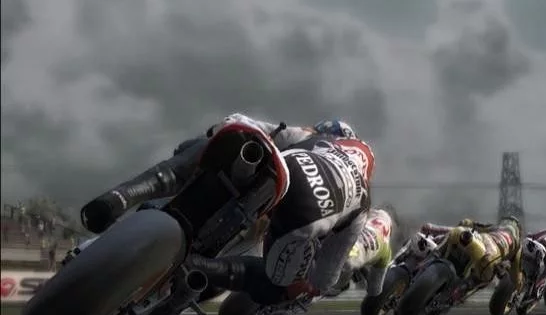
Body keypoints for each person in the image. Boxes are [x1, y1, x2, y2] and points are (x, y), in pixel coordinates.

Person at [187, 122, 375, 305]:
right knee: (282, 286)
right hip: (307, 211)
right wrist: (316, 288)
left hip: (284, 169)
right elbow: (329, 269)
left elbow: (251, 124)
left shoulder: (320, 140)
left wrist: (221, 127)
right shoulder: (363, 201)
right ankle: (198, 266)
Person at [79, 113, 356, 234]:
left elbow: (239, 121)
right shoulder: (331, 172)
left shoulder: (304, 138)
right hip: (238, 205)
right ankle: (121, 203)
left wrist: (219, 129)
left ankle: (119, 198)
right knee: (193, 153)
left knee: (187, 156)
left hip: (243, 207)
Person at [433, 216, 523, 294]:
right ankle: (461, 290)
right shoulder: (517, 245)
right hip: (491, 257)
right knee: (483, 278)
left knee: (454, 236)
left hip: (483, 241)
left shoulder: (495, 227)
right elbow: (516, 275)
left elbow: (472, 224)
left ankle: (436, 254)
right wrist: (519, 287)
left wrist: (465, 223)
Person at [323, 206, 397, 298]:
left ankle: (339, 283)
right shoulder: (386, 250)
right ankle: (339, 284)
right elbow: (375, 289)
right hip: (351, 258)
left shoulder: (364, 220)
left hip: (342, 250)